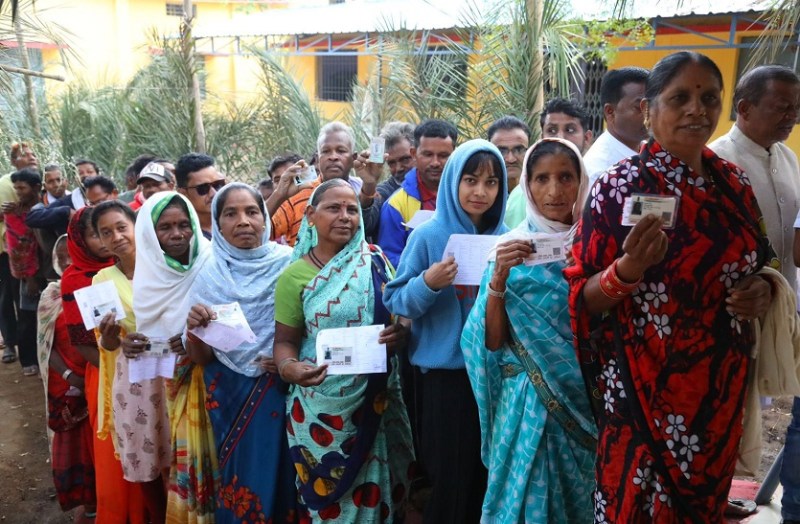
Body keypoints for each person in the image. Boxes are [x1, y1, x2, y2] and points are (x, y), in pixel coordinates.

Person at [565, 51, 775, 522]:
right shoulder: (618, 187)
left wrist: (763, 288)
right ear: (648, 110)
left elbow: (763, 259)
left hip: (718, 389)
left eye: (709, 99)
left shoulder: (733, 184)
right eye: (680, 98)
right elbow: (583, 299)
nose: (697, 110)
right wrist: (628, 269)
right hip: (644, 392)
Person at [461, 138, 596, 523]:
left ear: (581, 181)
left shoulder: (595, 247)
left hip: (585, 398)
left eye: (565, 177)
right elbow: (490, 342)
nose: (554, 191)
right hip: (528, 403)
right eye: (541, 179)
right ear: (527, 184)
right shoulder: (508, 249)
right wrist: (500, 278)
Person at [273, 178, 414, 522]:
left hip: (376, 400)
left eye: (352, 209)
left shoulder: (375, 261)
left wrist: (401, 332)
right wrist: (290, 368)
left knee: (380, 498)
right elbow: (285, 341)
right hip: (320, 406)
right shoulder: (294, 276)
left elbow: (399, 315)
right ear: (310, 216)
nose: (345, 216)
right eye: (333, 208)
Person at [383, 139, 508, 523]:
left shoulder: (507, 239)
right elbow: (396, 299)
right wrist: (428, 282)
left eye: (491, 182)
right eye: (471, 180)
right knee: (448, 479)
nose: (480, 191)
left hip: (495, 377)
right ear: (454, 180)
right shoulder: (429, 236)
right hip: (446, 379)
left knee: (486, 477)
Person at [709, 64, 800, 522]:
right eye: (781, 107)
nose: (791, 117)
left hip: (779, 308)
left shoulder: (788, 159)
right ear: (744, 108)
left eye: (796, 108)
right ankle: (712, 493)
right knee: (723, 409)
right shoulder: (715, 161)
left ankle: (722, 489)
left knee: (754, 412)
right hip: (734, 310)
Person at [185, 183, 297, 523]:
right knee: (240, 473)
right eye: (231, 214)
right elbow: (201, 358)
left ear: (265, 219)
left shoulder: (290, 264)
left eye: (251, 211)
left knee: (286, 471)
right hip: (230, 391)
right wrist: (195, 328)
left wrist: (286, 359)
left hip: (282, 386)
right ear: (217, 224)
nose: (243, 221)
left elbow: (310, 326)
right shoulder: (208, 275)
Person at [129, 192, 212, 524]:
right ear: (150, 234)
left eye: (183, 224)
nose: (177, 234)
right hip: (176, 379)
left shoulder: (212, 260)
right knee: (188, 451)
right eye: (165, 227)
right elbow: (149, 337)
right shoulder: (147, 279)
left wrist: (196, 335)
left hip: (219, 377)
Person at [61, 207, 146, 523]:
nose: (109, 239)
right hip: (111, 372)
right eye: (100, 233)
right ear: (82, 239)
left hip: (159, 371)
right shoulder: (90, 280)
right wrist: (117, 364)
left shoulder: (157, 267)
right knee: (125, 449)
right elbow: (88, 340)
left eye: (120, 228)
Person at [92, 201, 170, 523]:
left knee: (180, 451)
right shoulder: (102, 280)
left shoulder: (167, 266)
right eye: (106, 233)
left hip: (175, 368)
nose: (116, 237)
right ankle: (161, 517)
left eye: (121, 227)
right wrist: (116, 339)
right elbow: (106, 343)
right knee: (144, 455)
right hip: (136, 377)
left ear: (137, 226)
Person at [36, 234, 97, 519]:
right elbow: (45, 345)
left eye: (72, 255)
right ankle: (87, 504)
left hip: (99, 378)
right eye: (62, 257)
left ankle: (108, 499)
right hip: (68, 387)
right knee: (75, 447)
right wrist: (71, 376)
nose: (67, 262)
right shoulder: (51, 296)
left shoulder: (98, 289)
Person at [267, 122, 382, 246]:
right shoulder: (298, 193)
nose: (333, 157)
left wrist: (369, 185)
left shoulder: (365, 190)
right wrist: (279, 195)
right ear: (317, 159)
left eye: (341, 151)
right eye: (326, 151)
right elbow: (261, 232)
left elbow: (368, 228)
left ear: (353, 158)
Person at [378, 119, 458, 267]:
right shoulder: (396, 205)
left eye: (443, 155)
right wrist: (427, 274)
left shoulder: (471, 197)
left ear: (455, 154)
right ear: (414, 154)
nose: (435, 162)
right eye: (428, 154)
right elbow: (389, 259)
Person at [4, 168, 46, 376]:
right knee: (28, 316)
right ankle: (29, 360)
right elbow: (17, 249)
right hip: (29, 274)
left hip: (48, 268)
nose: (18, 192)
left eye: (22, 188)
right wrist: (30, 278)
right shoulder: (14, 213)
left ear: (36, 187)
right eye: (16, 188)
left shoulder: (45, 206)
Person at [0, 142, 38, 365]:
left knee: (26, 300)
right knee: (9, 297)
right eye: (26, 155)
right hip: (8, 251)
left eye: (33, 154)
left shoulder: (42, 182)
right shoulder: (4, 184)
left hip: (37, 256)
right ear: (14, 161)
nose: (32, 157)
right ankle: (10, 343)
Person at [584, 67, 650, 185]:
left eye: (652, 106)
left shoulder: (649, 153)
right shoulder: (600, 172)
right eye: (640, 108)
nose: (649, 114)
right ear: (610, 112)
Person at [26, 175, 118, 236]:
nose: (96, 208)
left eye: (100, 201)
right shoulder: (69, 202)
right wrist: (66, 211)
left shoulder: (123, 211)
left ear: (114, 194)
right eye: (91, 204)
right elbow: (32, 218)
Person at [486, 116, 531, 228]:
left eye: (519, 150)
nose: (511, 159)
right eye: (502, 151)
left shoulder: (540, 195)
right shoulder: (478, 196)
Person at [175, 153, 227, 240]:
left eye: (218, 185)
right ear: (183, 193)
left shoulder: (233, 225)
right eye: (203, 188)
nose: (214, 193)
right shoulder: (182, 237)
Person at [376, 122, 417, 202]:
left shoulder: (438, 185)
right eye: (392, 163)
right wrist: (369, 185)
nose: (398, 168)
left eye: (405, 159)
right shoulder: (385, 192)